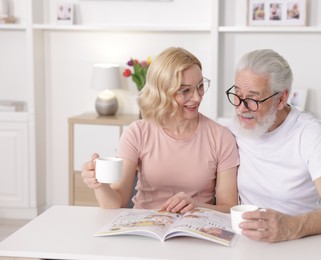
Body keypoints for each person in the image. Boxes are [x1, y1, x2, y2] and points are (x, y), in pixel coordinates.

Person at [223, 49, 321, 242]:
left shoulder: (310, 133)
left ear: (281, 99)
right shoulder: (231, 129)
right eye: (237, 95)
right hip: (251, 243)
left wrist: (291, 226)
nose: (240, 108)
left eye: (253, 99)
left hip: (305, 241)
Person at [81, 47, 239, 214]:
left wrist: (197, 206)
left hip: (195, 230)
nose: (197, 97)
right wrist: (100, 185)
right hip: (143, 227)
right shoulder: (137, 132)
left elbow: (229, 208)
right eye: (185, 91)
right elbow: (116, 203)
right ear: (162, 92)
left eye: (200, 86)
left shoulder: (220, 137)